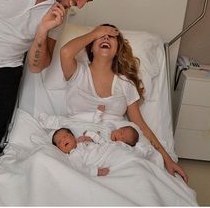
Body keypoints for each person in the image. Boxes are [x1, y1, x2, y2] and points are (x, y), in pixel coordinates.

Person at [0, 0, 110, 180]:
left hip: (6, 73)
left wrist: (41, 33)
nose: (81, 4)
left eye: (88, 1)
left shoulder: (59, 14)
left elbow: (38, 66)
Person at [60, 23, 189, 183]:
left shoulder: (125, 83)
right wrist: (95, 33)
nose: (106, 37)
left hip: (113, 147)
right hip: (77, 143)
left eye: (112, 36)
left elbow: (141, 125)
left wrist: (167, 159)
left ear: (117, 51)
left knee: (137, 178)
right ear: (91, 47)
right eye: (101, 35)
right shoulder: (77, 72)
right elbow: (65, 52)